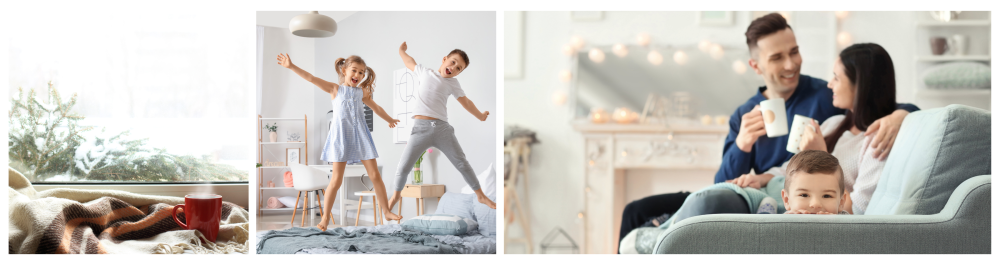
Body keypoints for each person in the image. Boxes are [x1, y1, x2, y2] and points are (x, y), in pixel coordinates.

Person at [618, 13, 918, 249]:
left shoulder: (826, 97)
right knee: (634, 209)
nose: (791, 64)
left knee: (706, 207)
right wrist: (743, 145)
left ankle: (664, 230)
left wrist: (900, 115)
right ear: (756, 65)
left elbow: (875, 102)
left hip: (783, 201)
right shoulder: (745, 113)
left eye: (795, 52)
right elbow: (722, 181)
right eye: (777, 58)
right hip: (751, 190)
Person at [277, 53, 402, 231]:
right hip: (341, 137)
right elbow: (311, 78)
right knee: (336, 180)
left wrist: (389, 119)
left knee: (375, 175)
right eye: (354, 71)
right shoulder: (335, 89)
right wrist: (291, 66)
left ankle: (386, 210)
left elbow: (377, 108)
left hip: (360, 136)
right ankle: (326, 217)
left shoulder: (362, 92)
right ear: (344, 71)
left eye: (361, 73)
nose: (357, 75)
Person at [388, 42, 496, 211]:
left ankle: (481, 195)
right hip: (420, 129)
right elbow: (409, 62)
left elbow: (466, 102)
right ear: (444, 59)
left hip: (442, 129)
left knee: (462, 163)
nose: (453, 68)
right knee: (403, 167)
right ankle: (395, 195)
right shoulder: (426, 72)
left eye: (459, 68)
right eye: (452, 62)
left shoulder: (453, 83)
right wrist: (401, 51)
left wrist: (480, 115)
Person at [780, 150, 851, 215]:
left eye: (827, 196)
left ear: (841, 202)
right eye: (804, 195)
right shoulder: (780, 224)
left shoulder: (849, 225)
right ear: (787, 200)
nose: (815, 204)